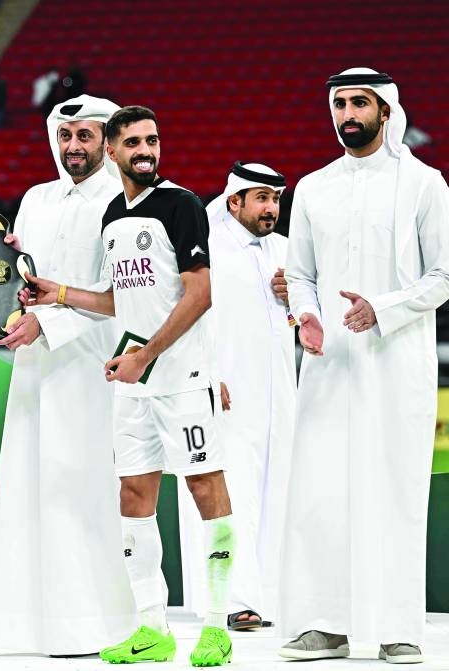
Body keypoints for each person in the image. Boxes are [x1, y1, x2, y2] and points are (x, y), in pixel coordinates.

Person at [24, 105, 236, 667]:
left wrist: (147, 353)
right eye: (134, 143)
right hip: (134, 380)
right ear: (112, 152)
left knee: (204, 490)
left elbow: (199, 294)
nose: (146, 150)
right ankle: (153, 628)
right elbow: (118, 299)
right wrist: (60, 293)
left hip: (183, 376)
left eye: (153, 140)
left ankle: (216, 626)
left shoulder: (183, 205)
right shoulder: (113, 214)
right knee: (134, 496)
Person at [278, 67, 449, 665]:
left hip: (396, 362)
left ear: (384, 110)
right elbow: (298, 273)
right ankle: (325, 624)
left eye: (358, 103)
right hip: (328, 364)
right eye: (338, 104)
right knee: (322, 492)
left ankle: (400, 628)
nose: (346, 113)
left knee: (396, 490)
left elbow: (443, 278)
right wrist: (305, 315)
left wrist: (383, 307)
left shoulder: (425, 185)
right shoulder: (313, 187)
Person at [0, 94, 136, 657]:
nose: (74, 146)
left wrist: (50, 326)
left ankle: (100, 627)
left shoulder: (125, 204)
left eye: (86, 136)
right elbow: (22, 282)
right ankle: (28, 627)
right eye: (65, 135)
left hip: (97, 368)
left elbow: (128, 297)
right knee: (29, 488)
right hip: (33, 368)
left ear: (107, 141)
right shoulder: (35, 199)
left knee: (85, 490)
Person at [178, 162, 295, 633]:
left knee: (277, 488)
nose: (271, 209)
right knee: (231, 491)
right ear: (234, 202)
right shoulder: (204, 245)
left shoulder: (285, 250)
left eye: (276, 199)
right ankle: (229, 597)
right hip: (221, 388)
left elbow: (301, 322)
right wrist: (206, 372)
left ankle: (268, 596)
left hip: (279, 392)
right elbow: (184, 310)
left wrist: (301, 295)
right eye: (262, 198)